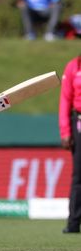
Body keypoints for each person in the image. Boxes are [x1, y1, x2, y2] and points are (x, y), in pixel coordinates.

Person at [59, 55, 81, 234]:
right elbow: (66, 99)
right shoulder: (74, 66)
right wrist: (65, 131)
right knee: (79, 175)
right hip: (79, 123)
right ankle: (73, 223)